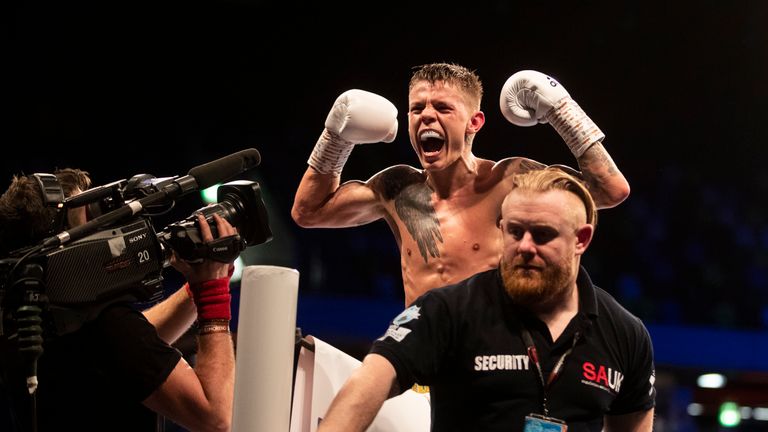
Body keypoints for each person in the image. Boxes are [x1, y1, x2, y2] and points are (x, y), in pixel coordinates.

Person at [316, 167, 656, 432]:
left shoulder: (625, 333)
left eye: (542, 235)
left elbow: (635, 422)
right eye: (514, 231)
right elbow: (373, 377)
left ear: (581, 239)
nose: (524, 247)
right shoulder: (449, 309)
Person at [292, 62, 630, 306]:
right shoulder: (395, 188)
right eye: (416, 108)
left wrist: (563, 112)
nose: (426, 115)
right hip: (419, 362)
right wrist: (335, 137)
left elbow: (609, 190)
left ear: (474, 122)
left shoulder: (512, 182)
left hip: (491, 360)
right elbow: (308, 212)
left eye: (442, 107)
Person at [0, 168, 237, 432]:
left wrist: (195, 289)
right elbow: (216, 418)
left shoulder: (29, 317)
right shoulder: (105, 325)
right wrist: (212, 291)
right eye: (88, 225)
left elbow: (131, 344)